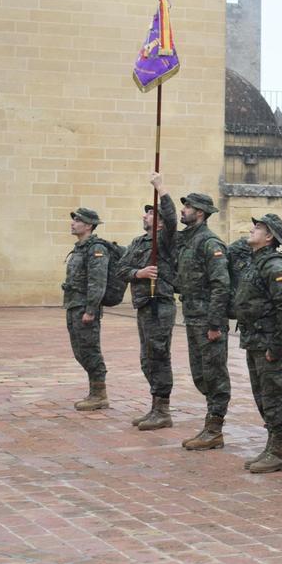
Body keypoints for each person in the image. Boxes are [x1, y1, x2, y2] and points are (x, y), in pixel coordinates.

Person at [233, 213, 282, 474]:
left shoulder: (274, 266)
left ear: (269, 236)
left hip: (269, 342)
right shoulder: (256, 262)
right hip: (254, 340)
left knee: (274, 396)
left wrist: (279, 345)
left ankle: (279, 452)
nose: (252, 230)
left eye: (258, 227)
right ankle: (271, 446)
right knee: (262, 396)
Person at [117, 173, 179, 430]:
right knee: (147, 358)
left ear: (160, 222)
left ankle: (163, 410)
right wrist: (138, 273)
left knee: (158, 355)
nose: (145, 216)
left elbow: (173, 218)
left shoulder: (163, 240)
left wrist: (160, 188)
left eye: (150, 213)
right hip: (143, 305)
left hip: (159, 304)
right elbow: (121, 269)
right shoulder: (138, 242)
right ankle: (155, 406)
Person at [176, 193, 232, 451]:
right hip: (193, 317)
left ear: (200, 212)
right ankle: (211, 425)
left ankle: (214, 429)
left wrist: (215, 324)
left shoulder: (210, 243)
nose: (184, 210)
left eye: (188, 207)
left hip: (208, 321)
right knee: (200, 374)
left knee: (214, 375)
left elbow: (221, 286)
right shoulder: (189, 240)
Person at [63, 207, 110, 412]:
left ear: (89, 225)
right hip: (74, 305)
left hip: (85, 308)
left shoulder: (96, 248)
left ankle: (99, 394)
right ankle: (95, 391)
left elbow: (97, 281)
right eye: (73, 220)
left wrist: (91, 309)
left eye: (77, 220)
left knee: (90, 350)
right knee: (79, 351)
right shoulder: (80, 248)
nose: (73, 223)